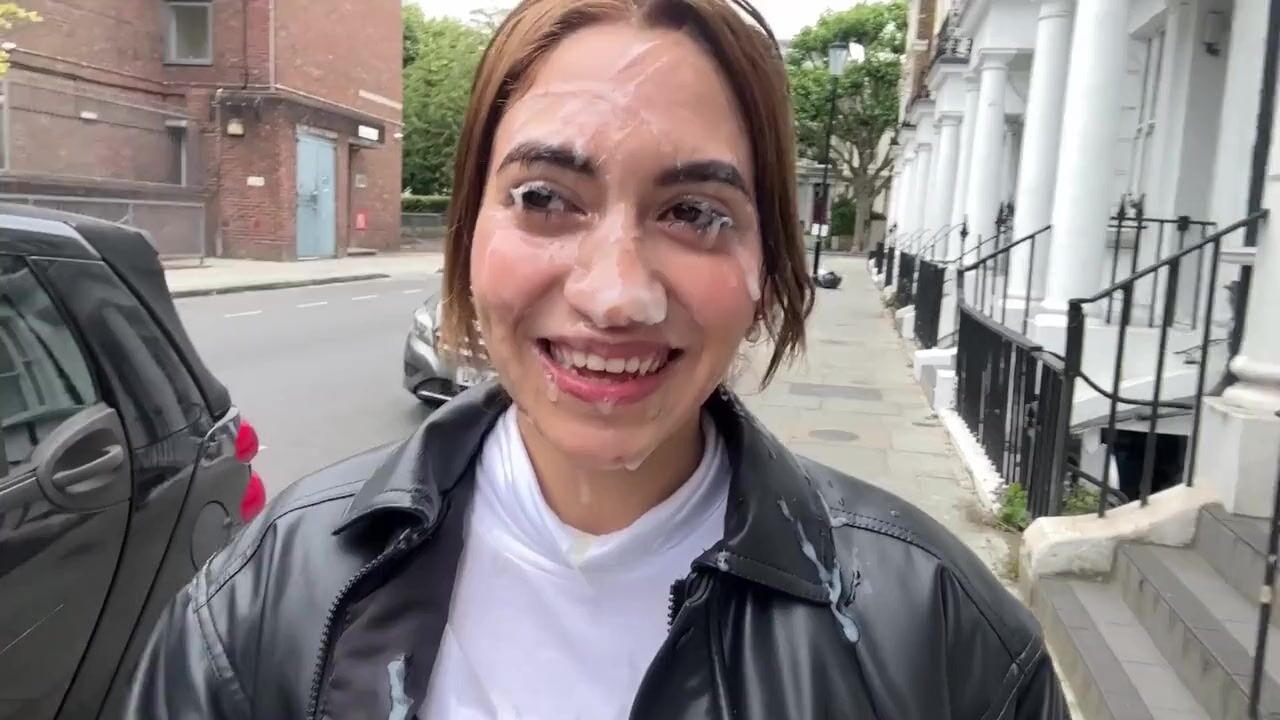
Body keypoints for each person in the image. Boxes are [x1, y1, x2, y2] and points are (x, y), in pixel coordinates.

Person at [126, 0, 1069, 717]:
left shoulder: (943, 639)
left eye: (694, 212)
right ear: (468, 234)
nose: (616, 295)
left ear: (769, 265)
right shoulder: (266, 601)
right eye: (544, 198)